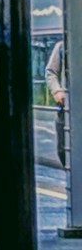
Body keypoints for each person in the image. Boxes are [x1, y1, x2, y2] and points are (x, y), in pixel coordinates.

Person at [47, 39, 67, 167]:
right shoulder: (61, 46)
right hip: (65, 108)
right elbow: (51, 72)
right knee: (62, 148)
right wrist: (57, 91)